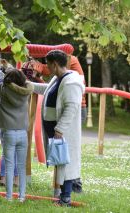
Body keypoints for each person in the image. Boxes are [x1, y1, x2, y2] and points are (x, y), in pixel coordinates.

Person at [31, 50, 85, 207]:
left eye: (47, 64)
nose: (46, 67)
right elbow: (46, 90)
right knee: (60, 163)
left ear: (54, 64)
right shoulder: (58, 78)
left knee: (65, 164)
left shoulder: (71, 82)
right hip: (54, 129)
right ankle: (64, 195)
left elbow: (71, 107)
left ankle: (66, 198)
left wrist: (60, 129)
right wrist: (30, 85)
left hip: (63, 131)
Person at [0, 66, 34, 202]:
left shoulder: (5, 90)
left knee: (9, 166)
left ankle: (9, 197)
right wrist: (8, 68)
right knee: (21, 167)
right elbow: (20, 78)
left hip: (8, 132)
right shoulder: (26, 91)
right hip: (23, 133)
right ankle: (22, 197)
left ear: (8, 81)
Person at [0, 59, 19, 187]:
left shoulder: (4, 90)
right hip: (18, 124)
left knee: (6, 151)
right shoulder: (23, 90)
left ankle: (3, 177)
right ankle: (16, 179)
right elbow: (16, 75)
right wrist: (8, 66)